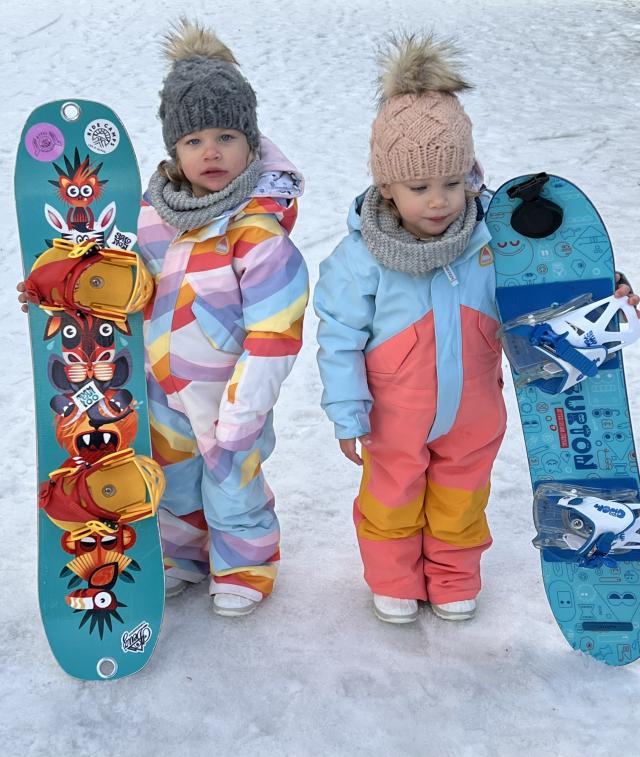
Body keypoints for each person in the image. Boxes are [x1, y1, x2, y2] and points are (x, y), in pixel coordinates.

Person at [313, 33, 638, 625]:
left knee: (462, 499)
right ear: (386, 186)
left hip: (474, 412)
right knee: (392, 499)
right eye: (419, 186)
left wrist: (599, 291)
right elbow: (338, 334)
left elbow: (546, 286)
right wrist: (347, 410)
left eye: (454, 181)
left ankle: (455, 576)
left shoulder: (496, 241)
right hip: (394, 415)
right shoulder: (361, 257)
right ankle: (393, 579)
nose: (439, 200)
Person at [128, 19, 308, 617]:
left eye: (227, 135)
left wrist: (248, 400)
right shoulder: (152, 218)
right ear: (174, 151)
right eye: (195, 139)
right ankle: (183, 558)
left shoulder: (256, 230)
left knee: (233, 482)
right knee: (172, 482)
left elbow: (276, 325)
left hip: (230, 389)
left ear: (251, 144)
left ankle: (245, 564)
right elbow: (121, 285)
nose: (211, 151)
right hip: (159, 388)